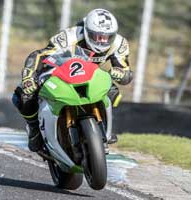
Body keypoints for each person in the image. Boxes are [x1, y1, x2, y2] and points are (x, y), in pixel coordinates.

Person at [12, 8, 133, 152]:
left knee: (113, 91)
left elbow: (126, 73)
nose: (102, 41)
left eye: (107, 37)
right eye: (97, 36)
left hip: (91, 74)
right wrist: (28, 77)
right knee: (23, 95)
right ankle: (34, 129)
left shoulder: (119, 43)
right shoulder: (69, 36)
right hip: (60, 71)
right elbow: (39, 55)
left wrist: (119, 73)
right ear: (87, 31)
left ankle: (103, 125)